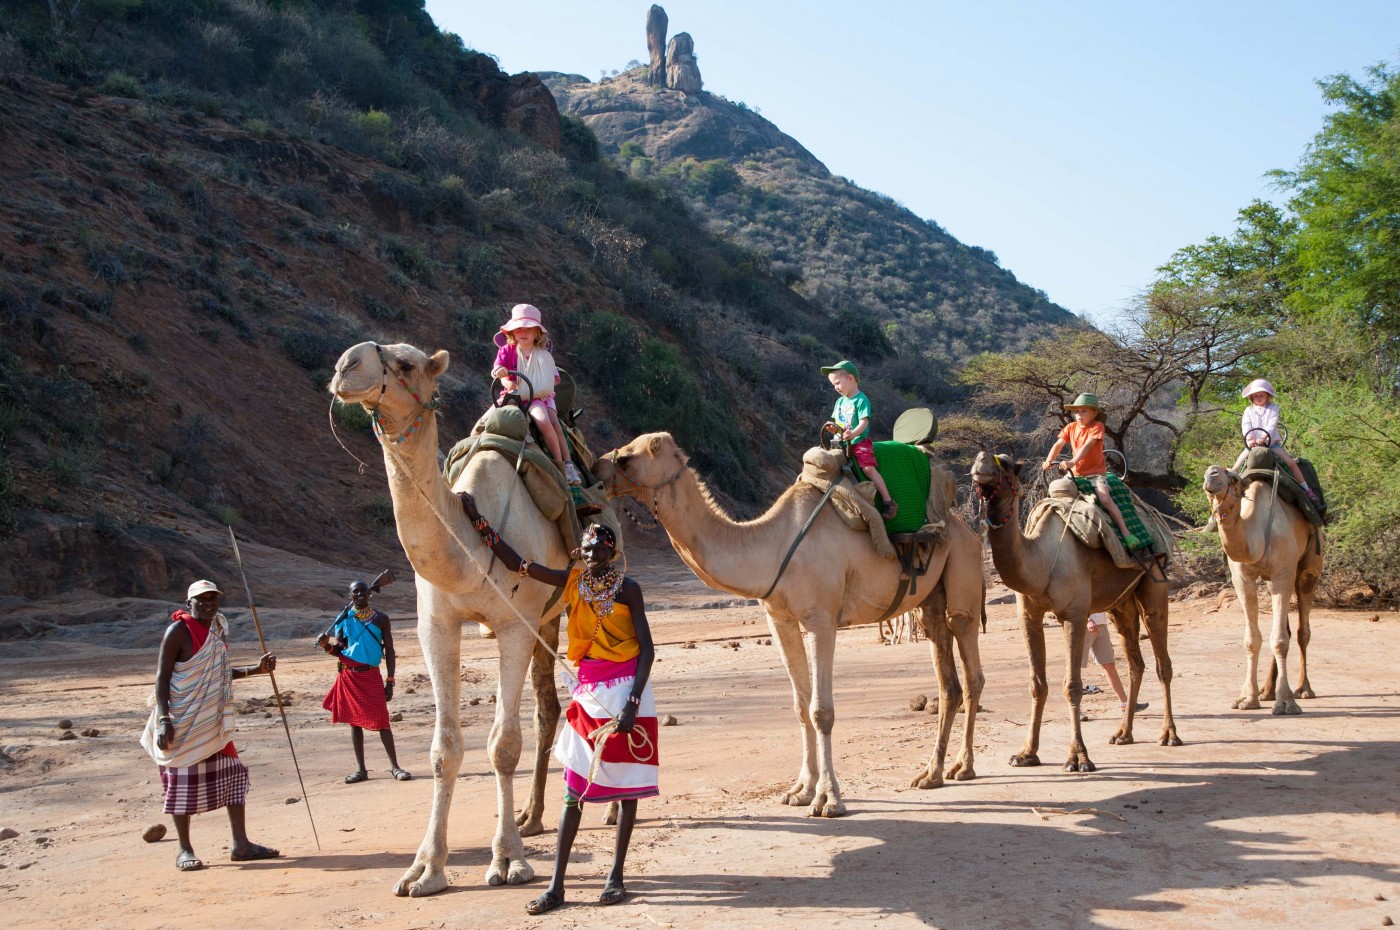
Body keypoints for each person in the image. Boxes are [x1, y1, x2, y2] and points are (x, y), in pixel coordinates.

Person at [457, 491, 657, 915]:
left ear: (612, 551)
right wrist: (479, 523)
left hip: (625, 692)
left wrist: (632, 704)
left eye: (599, 547)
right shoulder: (572, 582)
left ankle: (616, 876)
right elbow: (519, 566)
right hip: (587, 692)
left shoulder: (629, 590)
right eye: (585, 548)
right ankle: (557, 886)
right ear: (579, 552)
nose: (591, 553)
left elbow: (647, 650)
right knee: (573, 789)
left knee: (624, 788)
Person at [139, 580, 280, 872]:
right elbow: (161, 678)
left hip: (211, 719)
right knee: (180, 780)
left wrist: (256, 670)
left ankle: (241, 845)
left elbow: (217, 673)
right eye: (201, 599)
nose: (208, 604)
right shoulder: (178, 631)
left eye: (213, 599)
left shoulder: (216, 630)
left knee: (234, 774)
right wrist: (165, 719)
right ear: (189, 603)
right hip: (181, 717)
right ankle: (184, 849)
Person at [318, 577, 411, 784]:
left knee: (382, 722)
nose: (359, 595)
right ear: (350, 595)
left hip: (371, 674)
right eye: (355, 592)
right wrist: (326, 646)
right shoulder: (343, 619)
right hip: (349, 676)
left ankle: (395, 767)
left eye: (362, 591)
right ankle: (361, 770)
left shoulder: (380, 619)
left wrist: (390, 681)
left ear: (369, 593)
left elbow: (390, 650)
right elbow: (340, 649)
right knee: (354, 723)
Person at [1042, 393, 1152, 551]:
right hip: (1075, 473)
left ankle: (1126, 532)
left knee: (1105, 499)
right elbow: (1058, 444)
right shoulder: (1070, 427)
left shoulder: (1097, 426)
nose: (1079, 415)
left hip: (1095, 474)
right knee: (1056, 493)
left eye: (1084, 411)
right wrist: (1049, 460)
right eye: (1077, 411)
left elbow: (1087, 446)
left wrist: (1072, 461)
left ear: (1094, 413)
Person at [492, 302, 581, 485]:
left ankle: (563, 465)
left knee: (547, 421)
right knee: (487, 421)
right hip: (512, 395)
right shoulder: (506, 350)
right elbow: (498, 370)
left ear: (537, 333)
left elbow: (551, 381)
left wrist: (536, 384)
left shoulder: (542, 354)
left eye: (528, 329)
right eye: (518, 329)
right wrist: (502, 376)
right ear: (512, 332)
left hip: (538, 397)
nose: (522, 332)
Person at [822, 359, 897, 520]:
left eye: (837, 383)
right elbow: (837, 424)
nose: (836, 388)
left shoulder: (861, 400)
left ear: (850, 378)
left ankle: (888, 500)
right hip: (840, 443)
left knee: (867, 468)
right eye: (833, 385)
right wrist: (833, 429)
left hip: (858, 442)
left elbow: (864, 422)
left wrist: (853, 434)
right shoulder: (839, 402)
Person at [1231, 378, 1322, 509]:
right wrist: (1250, 439)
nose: (1258, 397)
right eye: (1255, 395)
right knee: (1235, 467)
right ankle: (1232, 494)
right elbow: (1246, 425)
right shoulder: (1248, 410)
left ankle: (1306, 489)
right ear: (1251, 397)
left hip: (1271, 444)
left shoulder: (1273, 407)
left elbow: (1271, 424)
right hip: (1252, 446)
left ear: (1268, 396)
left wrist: (1263, 437)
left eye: (1261, 395)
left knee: (1291, 463)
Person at [1080, 611, 1148, 718]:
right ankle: (1075, 709)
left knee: (1109, 665)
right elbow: (1076, 599)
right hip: (1084, 625)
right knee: (1075, 668)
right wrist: (1087, 620)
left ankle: (1126, 704)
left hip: (1101, 624)